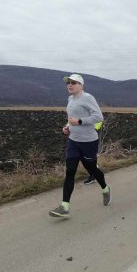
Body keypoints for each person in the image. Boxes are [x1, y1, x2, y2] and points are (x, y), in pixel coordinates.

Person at [49, 74, 111, 218]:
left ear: (81, 85)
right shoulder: (70, 99)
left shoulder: (88, 98)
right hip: (73, 140)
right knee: (70, 171)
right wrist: (67, 126)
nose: (70, 85)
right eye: (68, 83)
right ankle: (64, 207)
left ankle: (105, 188)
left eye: (73, 83)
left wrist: (80, 121)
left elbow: (98, 117)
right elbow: (71, 119)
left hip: (89, 142)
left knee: (92, 170)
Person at [83, 121, 103, 185]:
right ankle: (94, 173)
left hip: (91, 135)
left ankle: (93, 175)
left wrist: (94, 128)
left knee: (89, 157)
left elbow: (99, 119)